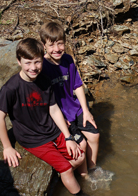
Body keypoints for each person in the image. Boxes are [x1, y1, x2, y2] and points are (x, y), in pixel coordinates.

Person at [0, 38, 87, 195]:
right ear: (19, 61)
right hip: (32, 138)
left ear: (42, 60)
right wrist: (7, 147)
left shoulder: (44, 80)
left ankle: (62, 177)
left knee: (79, 156)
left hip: (51, 130)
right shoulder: (11, 88)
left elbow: (54, 110)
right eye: (28, 63)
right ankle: (74, 186)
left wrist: (68, 137)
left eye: (37, 62)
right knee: (66, 168)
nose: (33, 67)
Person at [39, 22, 100, 171]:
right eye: (51, 45)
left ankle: (93, 168)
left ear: (65, 43)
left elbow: (77, 85)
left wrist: (85, 110)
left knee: (94, 136)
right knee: (82, 145)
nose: (56, 49)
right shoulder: (42, 67)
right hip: (60, 114)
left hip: (74, 108)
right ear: (43, 46)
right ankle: (85, 175)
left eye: (60, 44)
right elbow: (45, 101)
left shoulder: (67, 60)